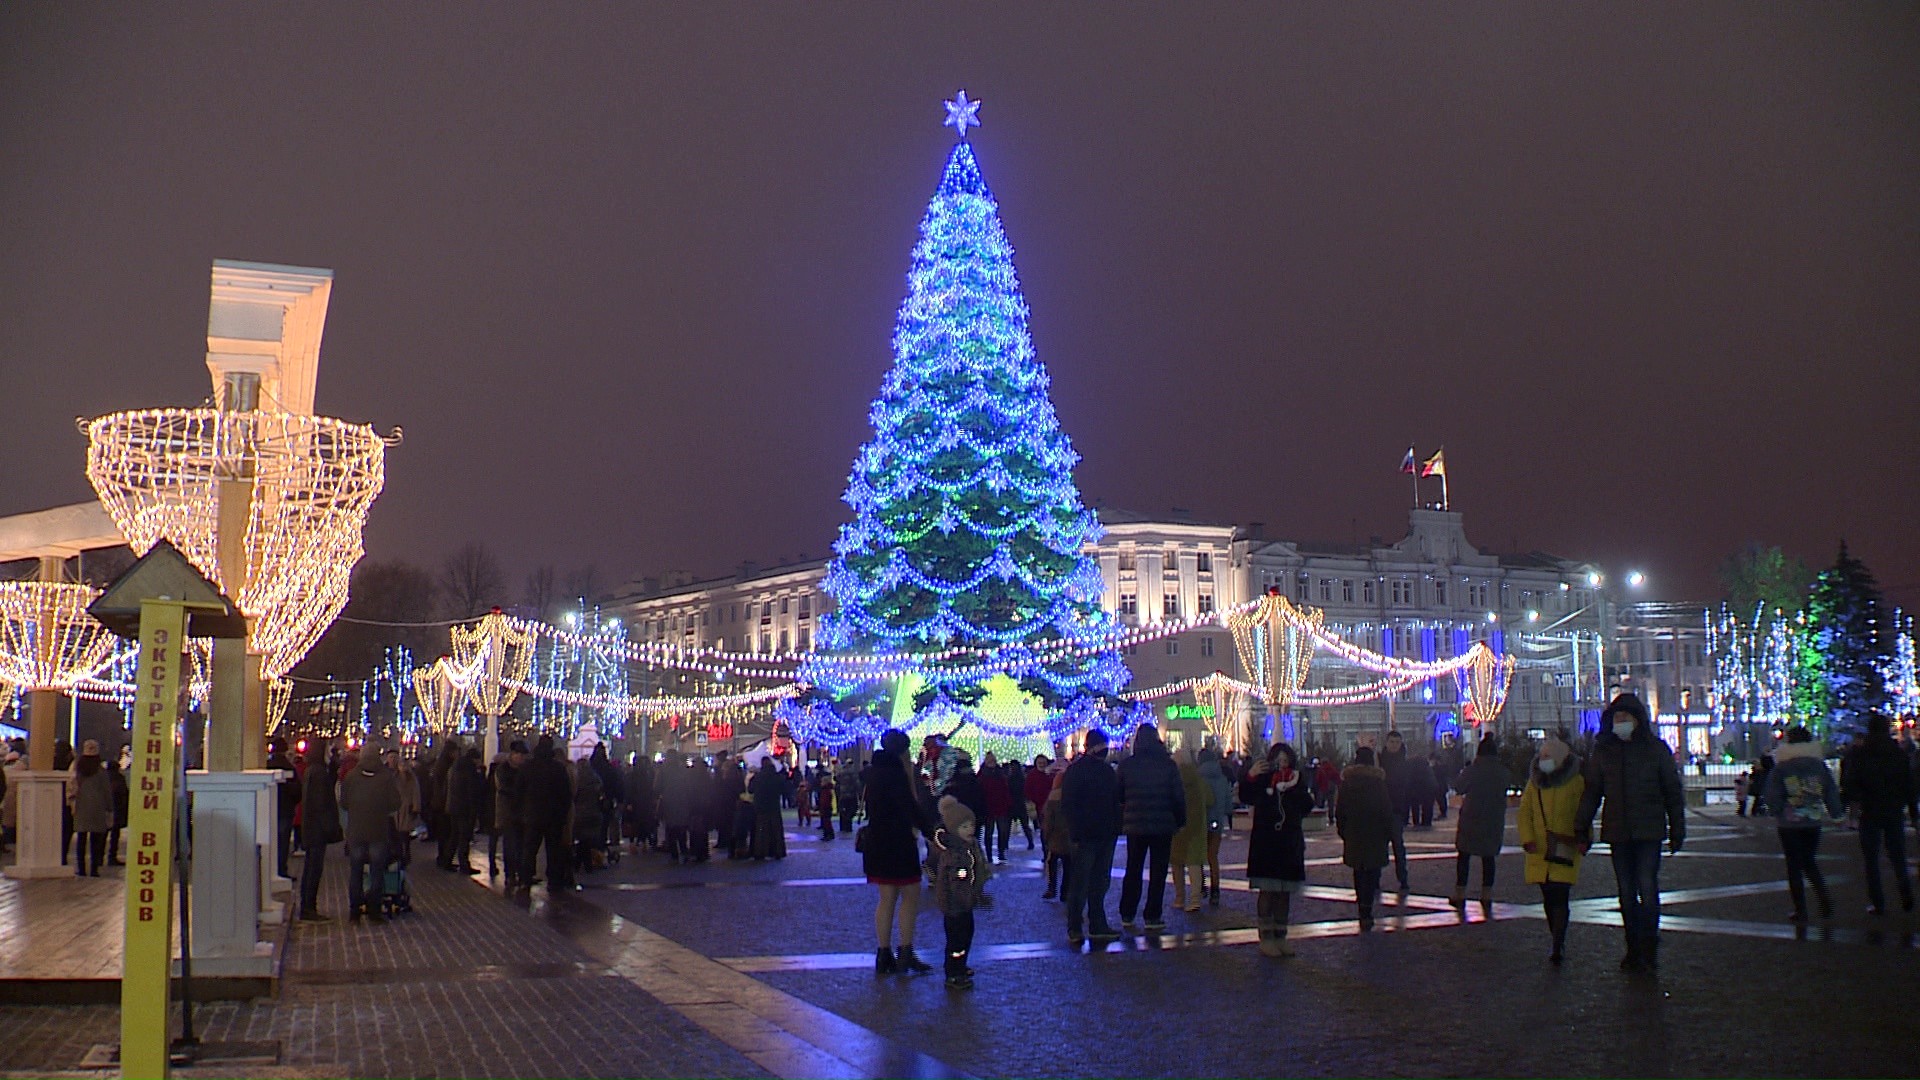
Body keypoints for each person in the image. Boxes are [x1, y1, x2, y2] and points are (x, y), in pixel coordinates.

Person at [1576, 692, 1685, 972]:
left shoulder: (1655, 749)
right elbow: (1592, 793)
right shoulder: (1604, 752)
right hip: (1618, 831)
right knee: (1625, 892)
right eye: (1616, 717)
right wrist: (1581, 826)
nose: (1620, 722)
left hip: (1649, 830)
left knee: (1647, 888)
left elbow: (1672, 791)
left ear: (1638, 720)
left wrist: (1677, 828)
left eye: (1625, 717)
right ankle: (1632, 947)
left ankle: (1648, 947)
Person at [865, 729, 933, 974]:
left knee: (887, 898)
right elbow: (909, 807)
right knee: (910, 895)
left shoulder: (875, 771)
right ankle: (905, 951)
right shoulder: (897, 774)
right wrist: (930, 831)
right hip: (899, 841)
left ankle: (883, 953)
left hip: (878, 841)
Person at [1762, 726, 1843, 923]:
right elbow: (1830, 791)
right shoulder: (1818, 765)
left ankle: (1801, 909)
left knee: (1793, 866)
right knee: (1809, 861)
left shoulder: (1782, 766)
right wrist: (1836, 814)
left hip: (1789, 822)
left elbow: (1771, 794)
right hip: (1813, 819)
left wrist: (1777, 809)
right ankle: (1824, 900)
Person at [1840, 714, 1917, 915]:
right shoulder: (1897, 753)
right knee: (1898, 855)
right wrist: (1912, 810)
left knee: (1871, 858)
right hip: (1893, 808)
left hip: (1871, 808)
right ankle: (1905, 892)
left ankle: (1877, 901)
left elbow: (1850, 782)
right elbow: (1908, 783)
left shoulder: (1861, 754)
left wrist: (1856, 801)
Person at [1242, 742, 1315, 955]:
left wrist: (1295, 790)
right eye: (1278, 760)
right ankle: (1265, 937)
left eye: (1286, 760)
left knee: (1284, 893)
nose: (1282, 764)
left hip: (1289, 843)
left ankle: (1281, 936)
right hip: (1267, 843)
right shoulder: (1264, 779)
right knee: (1268, 891)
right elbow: (1246, 795)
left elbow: (1307, 806)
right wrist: (1251, 775)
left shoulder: (1296, 780)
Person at [1518, 734, 1586, 963]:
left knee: (1560, 895)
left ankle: (1558, 943)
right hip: (1539, 849)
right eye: (1542, 755)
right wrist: (1527, 838)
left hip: (1565, 846)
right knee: (1548, 897)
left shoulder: (1575, 782)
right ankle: (1555, 936)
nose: (1543, 759)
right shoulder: (1535, 782)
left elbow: (1583, 814)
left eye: (1548, 756)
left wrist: (1584, 838)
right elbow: (1524, 813)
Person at [1115, 724, 1185, 932]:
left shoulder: (1127, 765)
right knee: (1158, 871)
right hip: (1162, 824)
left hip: (1135, 824)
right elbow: (1177, 797)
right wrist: (1180, 821)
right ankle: (1153, 915)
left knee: (1133, 869)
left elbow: (1119, 795)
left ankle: (1127, 912)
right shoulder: (1168, 765)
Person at [1060, 730, 1122, 946]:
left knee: (1086, 882)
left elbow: (1068, 805)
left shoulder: (1076, 771)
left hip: (1091, 834)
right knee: (1092, 882)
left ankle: (1080, 926)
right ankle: (1092, 924)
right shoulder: (1104, 772)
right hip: (1098, 833)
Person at [930, 794, 993, 988]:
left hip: (965, 903)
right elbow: (957, 883)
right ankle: (953, 972)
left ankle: (960, 965)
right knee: (956, 940)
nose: (970, 830)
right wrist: (970, 897)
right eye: (964, 827)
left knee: (966, 935)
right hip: (955, 905)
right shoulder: (955, 853)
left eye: (971, 826)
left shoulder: (968, 847)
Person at [339, 745, 402, 923]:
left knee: (356, 871)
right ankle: (374, 910)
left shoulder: (351, 777)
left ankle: (355, 911)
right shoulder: (385, 778)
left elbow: (344, 803)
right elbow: (395, 803)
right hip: (378, 830)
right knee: (377, 871)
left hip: (356, 831)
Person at [1451, 735, 1513, 911]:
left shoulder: (1473, 770)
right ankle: (1487, 894)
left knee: (1464, 856)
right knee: (1489, 858)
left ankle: (1460, 893)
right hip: (1493, 818)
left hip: (1471, 817)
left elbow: (1459, 787)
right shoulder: (1502, 771)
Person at [1335, 746, 1394, 931]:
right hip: (1375, 833)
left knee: (1358, 871)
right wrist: (1388, 833)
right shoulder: (1378, 783)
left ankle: (1363, 908)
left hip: (1354, 832)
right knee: (1373, 870)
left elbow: (1340, 811)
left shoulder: (1348, 782)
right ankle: (1368, 908)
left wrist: (1344, 831)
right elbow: (1386, 810)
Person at [518, 735, 575, 892]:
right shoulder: (558, 768)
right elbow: (566, 794)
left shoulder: (528, 767)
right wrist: (563, 815)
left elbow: (519, 790)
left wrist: (523, 810)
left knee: (529, 849)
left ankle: (526, 878)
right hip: (553, 816)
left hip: (532, 814)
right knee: (553, 850)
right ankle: (554, 880)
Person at [298, 741, 341, 921]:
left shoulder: (313, 771)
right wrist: (330, 827)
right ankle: (308, 906)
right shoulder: (317, 773)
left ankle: (307, 905)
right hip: (317, 829)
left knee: (311, 867)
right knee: (314, 868)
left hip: (311, 827)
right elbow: (322, 802)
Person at [1171, 748, 1209, 913]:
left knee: (1177, 864)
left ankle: (1179, 898)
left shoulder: (1174, 779)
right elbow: (1210, 799)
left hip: (1177, 826)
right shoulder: (1198, 778)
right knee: (1194, 864)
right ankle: (1195, 899)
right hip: (1196, 827)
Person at [67, 740, 113, 877]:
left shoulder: (78, 769)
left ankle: (81, 868)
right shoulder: (101, 771)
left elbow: (72, 785)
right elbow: (107, 791)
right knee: (96, 840)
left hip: (81, 805)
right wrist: (110, 808)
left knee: (81, 838)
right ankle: (94, 869)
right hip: (98, 807)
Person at [1198, 746, 1234, 905]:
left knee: (1198, 856)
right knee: (1213, 857)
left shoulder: (1198, 778)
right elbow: (1228, 804)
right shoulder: (1222, 779)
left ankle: (1201, 886)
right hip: (1217, 822)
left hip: (1200, 821)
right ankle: (1215, 889)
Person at [1378, 731, 1414, 889]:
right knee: (1379, 846)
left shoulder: (1405, 763)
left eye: (1397, 742)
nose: (1394, 745)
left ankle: (1403, 878)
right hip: (1380, 809)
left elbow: (1409, 787)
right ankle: (1376, 878)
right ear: (1386, 743)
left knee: (1398, 845)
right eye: (1392, 742)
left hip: (1396, 810)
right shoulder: (1379, 761)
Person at [491, 741, 527, 881]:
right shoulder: (503, 769)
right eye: (519, 755)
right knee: (510, 844)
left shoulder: (524, 769)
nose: (521, 758)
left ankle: (519, 871)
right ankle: (510, 873)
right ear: (513, 754)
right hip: (507, 812)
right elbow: (504, 788)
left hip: (522, 812)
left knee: (520, 844)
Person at [572, 749, 606, 873]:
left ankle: (580, 864)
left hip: (579, 813)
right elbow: (601, 794)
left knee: (581, 839)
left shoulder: (576, 778)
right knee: (586, 840)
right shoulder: (595, 777)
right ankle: (585, 864)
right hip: (593, 813)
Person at [269, 746, 300, 878]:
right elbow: (298, 790)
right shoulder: (289, 767)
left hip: (269, 808)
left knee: (270, 840)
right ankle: (281, 870)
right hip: (285, 809)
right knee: (283, 843)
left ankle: (269, 869)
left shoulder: (266, 766)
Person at [1041, 760, 1071, 899]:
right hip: (1069, 836)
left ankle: (1052, 888)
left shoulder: (1053, 798)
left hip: (1056, 837)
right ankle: (1065, 891)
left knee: (1052, 862)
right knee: (1068, 865)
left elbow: (1048, 820)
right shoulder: (1073, 796)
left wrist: (1046, 836)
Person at [750, 758, 788, 859]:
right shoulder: (777, 776)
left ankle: (760, 851)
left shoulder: (758, 776)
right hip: (774, 806)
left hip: (760, 806)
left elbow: (750, 789)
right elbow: (785, 790)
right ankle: (777, 851)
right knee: (776, 830)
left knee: (761, 830)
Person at [979, 755, 1012, 863]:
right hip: (988, 808)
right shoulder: (982, 774)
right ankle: (989, 854)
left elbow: (1005, 789)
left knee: (1002, 831)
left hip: (1001, 807)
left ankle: (1001, 851)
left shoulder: (1000, 773)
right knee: (989, 832)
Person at [105, 756, 129, 867]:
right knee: (115, 836)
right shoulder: (120, 779)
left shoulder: (104, 778)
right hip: (117, 811)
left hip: (106, 811)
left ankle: (99, 857)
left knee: (102, 835)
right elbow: (124, 794)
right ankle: (112, 856)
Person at [1007, 758, 1032, 851]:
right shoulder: (1022, 778)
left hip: (1012, 804)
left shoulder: (1009, 778)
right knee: (1025, 825)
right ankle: (1030, 842)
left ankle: (1005, 844)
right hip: (1020, 804)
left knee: (1008, 827)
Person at [1314, 755, 1342, 830]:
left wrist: (1318, 786)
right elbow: (1338, 777)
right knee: (1331, 804)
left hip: (1323, 788)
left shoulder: (1321, 769)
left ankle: (1321, 817)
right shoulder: (1332, 768)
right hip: (1331, 789)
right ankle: (1331, 818)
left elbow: (1318, 779)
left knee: (1322, 803)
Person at [815, 769, 837, 841]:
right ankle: (829, 834)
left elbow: (825, 800)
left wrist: (820, 806)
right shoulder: (827, 789)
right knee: (827, 822)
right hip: (826, 807)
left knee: (826, 822)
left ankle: (828, 835)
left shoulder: (825, 790)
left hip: (825, 808)